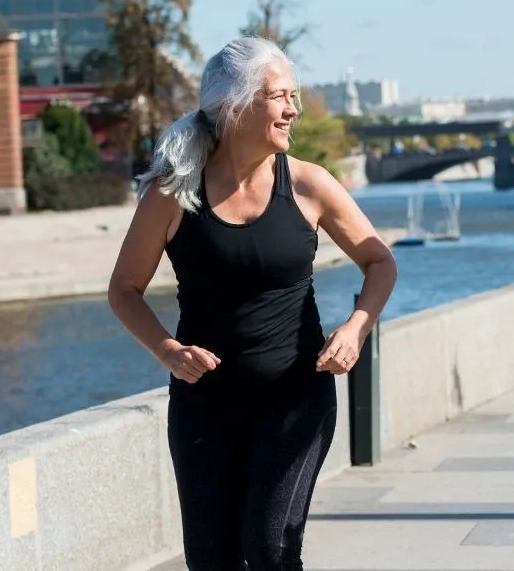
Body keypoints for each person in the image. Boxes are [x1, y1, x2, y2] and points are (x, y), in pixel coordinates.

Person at [107, 35, 398, 570]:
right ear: (234, 105)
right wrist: (168, 350)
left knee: (269, 550)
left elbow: (380, 262)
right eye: (279, 96)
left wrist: (355, 328)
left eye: (294, 97)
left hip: (295, 398)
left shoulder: (310, 185)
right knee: (212, 561)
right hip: (204, 408)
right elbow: (123, 289)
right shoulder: (174, 194)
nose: (293, 110)